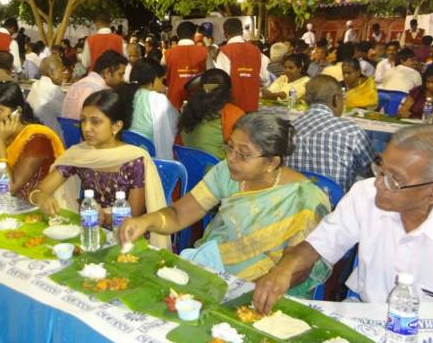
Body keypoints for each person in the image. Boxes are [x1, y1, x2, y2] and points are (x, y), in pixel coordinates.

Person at [119, 112, 331, 293]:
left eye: (243, 154)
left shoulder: (305, 200)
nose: (231, 158)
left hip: (266, 289)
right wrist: (145, 221)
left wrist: (244, 291)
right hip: (212, 272)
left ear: (272, 162)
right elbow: (179, 214)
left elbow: (298, 269)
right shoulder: (226, 172)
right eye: (230, 148)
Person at [253, 125, 433, 310]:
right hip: (366, 315)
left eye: (394, 180)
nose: (378, 184)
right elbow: (318, 245)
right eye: (380, 170)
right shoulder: (364, 195)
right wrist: (283, 271)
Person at [32, 88, 168, 247]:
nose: (86, 128)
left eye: (95, 121)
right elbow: (40, 191)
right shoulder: (80, 155)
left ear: (116, 126)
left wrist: (105, 217)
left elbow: (133, 215)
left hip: (127, 234)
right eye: (83, 120)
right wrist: (42, 197)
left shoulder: (134, 159)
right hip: (90, 228)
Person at [287, 75, 375, 190]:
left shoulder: (288, 130)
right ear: (336, 99)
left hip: (297, 201)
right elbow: (373, 171)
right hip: (336, 204)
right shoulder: (351, 132)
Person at [179, 69, 245, 160]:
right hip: (217, 171)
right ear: (229, 91)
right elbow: (242, 150)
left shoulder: (188, 110)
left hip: (190, 170)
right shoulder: (233, 113)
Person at [123, 59, 179, 159]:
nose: (162, 85)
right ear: (153, 79)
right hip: (150, 158)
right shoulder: (157, 100)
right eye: (161, 80)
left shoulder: (122, 94)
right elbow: (175, 125)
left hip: (125, 156)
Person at [215, 18, 270, 112]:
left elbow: (223, 81)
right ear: (241, 32)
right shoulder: (256, 50)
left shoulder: (224, 51)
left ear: (225, 34)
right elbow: (265, 78)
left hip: (233, 106)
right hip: (253, 104)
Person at [61, 50, 127, 119]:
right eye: (120, 74)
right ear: (107, 73)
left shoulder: (76, 85)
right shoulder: (103, 92)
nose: (123, 79)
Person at [161, 21, 208, 110]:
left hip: (174, 102)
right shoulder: (204, 52)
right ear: (194, 34)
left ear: (178, 35)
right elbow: (211, 76)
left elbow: (161, 72)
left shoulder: (167, 54)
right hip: (197, 102)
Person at [26, 55, 66, 137]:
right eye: (61, 71)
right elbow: (65, 114)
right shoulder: (54, 90)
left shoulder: (35, 85)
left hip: (31, 132)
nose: (63, 75)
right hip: (47, 135)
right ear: (51, 73)